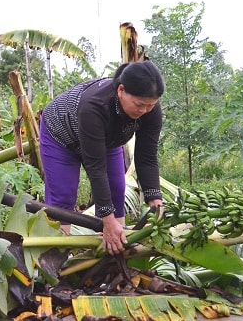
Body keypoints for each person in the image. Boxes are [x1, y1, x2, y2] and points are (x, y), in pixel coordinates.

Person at [39, 60, 165, 255]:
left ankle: (118, 246)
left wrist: (154, 197)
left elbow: (146, 157)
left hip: (105, 140)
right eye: (140, 105)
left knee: (116, 187)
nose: (144, 111)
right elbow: (96, 168)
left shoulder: (150, 110)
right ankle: (55, 255)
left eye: (150, 106)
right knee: (63, 196)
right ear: (121, 90)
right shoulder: (95, 105)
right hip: (62, 137)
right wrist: (107, 221)